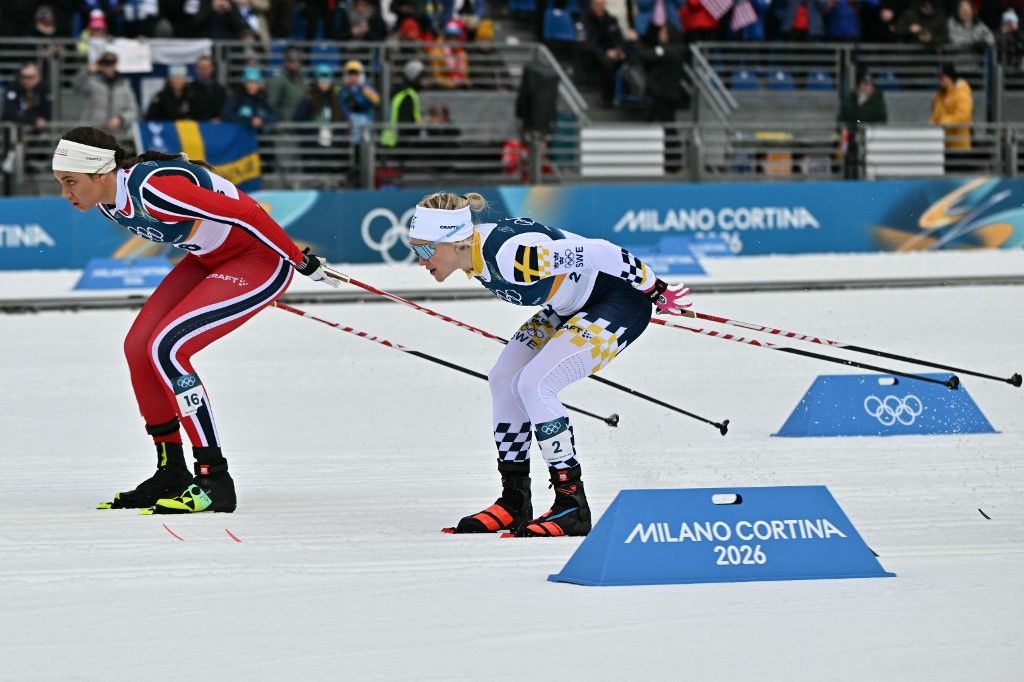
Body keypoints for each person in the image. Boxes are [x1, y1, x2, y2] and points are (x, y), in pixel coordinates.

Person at [50, 126, 337, 513]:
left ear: (101, 173)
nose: (65, 194)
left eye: (70, 182)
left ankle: (214, 477)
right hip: (209, 260)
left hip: (259, 261)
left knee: (168, 347)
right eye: (60, 183)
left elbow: (249, 213)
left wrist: (299, 260)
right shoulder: (107, 200)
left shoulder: (152, 189)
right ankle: (171, 470)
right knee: (138, 347)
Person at [406, 192, 690, 537]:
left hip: (618, 301)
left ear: (453, 240)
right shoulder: (471, 251)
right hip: (570, 307)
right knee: (503, 378)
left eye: (424, 250)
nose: (419, 260)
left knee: (535, 384)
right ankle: (514, 501)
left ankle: (572, 505)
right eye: (414, 249)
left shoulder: (514, 255)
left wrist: (655, 288)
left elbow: (603, 251)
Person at [75, 51, 140, 133]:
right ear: (100, 64)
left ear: (115, 65)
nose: (108, 66)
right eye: (105, 63)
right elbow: (77, 87)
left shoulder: (124, 87)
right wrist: (87, 72)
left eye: (111, 63)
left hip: (116, 136)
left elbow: (134, 112)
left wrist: (121, 119)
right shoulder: (91, 82)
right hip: (92, 134)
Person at [380, 59, 424, 148]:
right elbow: (405, 120)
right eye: (420, 78)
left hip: (393, 140)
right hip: (400, 142)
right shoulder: (407, 94)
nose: (422, 81)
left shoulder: (401, 91)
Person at [222, 66, 279, 132]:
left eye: (255, 82)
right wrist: (249, 120)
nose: (252, 85)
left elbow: (276, 115)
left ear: (259, 84)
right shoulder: (237, 98)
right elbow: (226, 114)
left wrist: (262, 120)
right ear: (244, 83)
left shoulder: (262, 98)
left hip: (260, 137)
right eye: (249, 82)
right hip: (241, 134)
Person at [930, 63, 972, 150]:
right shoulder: (939, 95)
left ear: (949, 77)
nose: (939, 81)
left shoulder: (961, 93)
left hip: (959, 146)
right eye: (938, 78)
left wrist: (944, 121)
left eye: (941, 78)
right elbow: (936, 115)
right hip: (943, 144)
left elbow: (963, 115)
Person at [338, 60, 380, 143]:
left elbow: (377, 101)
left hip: (366, 120)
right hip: (351, 124)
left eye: (355, 74)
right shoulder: (344, 90)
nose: (353, 77)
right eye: (350, 74)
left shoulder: (367, 87)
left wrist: (362, 88)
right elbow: (342, 107)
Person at [2, 62, 52, 131]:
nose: (26, 80)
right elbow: (9, 113)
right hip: (15, 130)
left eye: (31, 77)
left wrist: (23, 115)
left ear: (39, 77)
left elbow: (47, 114)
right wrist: (34, 119)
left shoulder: (44, 88)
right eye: (23, 77)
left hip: (37, 132)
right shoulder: (13, 87)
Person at [185, 56, 228, 121]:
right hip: (193, 126)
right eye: (201, 67)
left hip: (213, 127)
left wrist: (219, 118)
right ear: (196, 69)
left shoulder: (220, 89)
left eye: (206, 67)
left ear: (212, 68)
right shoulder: (188, 88)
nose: (204, 70)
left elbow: (225, 110)